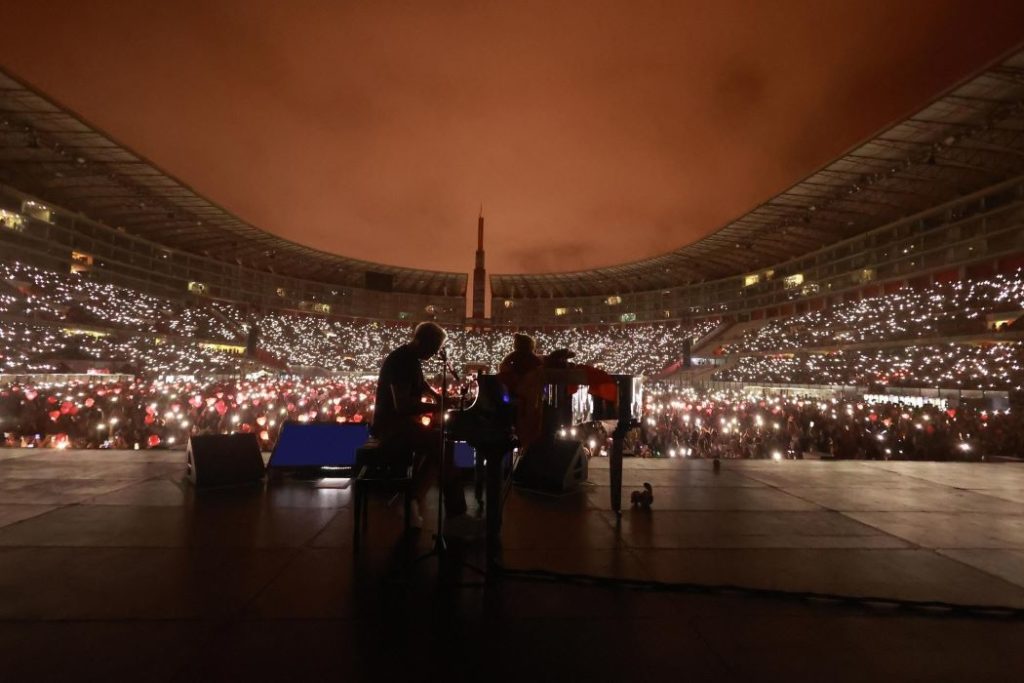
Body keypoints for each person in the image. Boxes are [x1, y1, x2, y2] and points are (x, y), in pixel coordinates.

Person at [371, 322, 473, 531]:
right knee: (441, 445)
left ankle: (412, 499)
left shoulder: (411, 359)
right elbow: (402, 405)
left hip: (399, 425)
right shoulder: (402, 361)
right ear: (420, 341)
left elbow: (421, 384)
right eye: (433, 348)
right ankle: (456, 515)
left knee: (442, 446)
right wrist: (437, 405)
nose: (435, 353)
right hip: (391, 428)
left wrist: (439, 397)